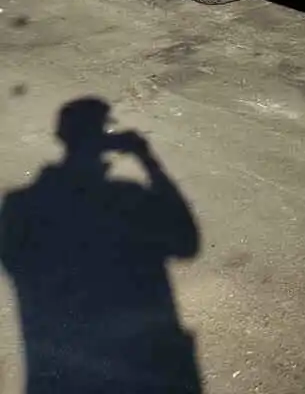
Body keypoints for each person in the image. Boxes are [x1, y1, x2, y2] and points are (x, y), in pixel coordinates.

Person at [0, 98, 202, 394]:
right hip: (144, 373)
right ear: (107, 139)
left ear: (61, 138)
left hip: (61, 377)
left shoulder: (20, 209)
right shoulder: (126, 201)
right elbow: (187, 242)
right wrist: (147, 159)